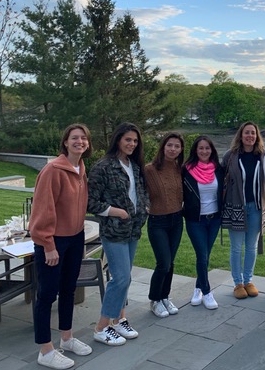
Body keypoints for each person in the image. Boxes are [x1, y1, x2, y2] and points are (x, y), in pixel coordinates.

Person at [30, 124, 94, 369]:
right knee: (47, 295)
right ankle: (45, 350)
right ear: (65, 142)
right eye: (74, 138)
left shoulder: (80, 168)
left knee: (68, 290)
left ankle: (66, 338)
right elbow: (42, 209)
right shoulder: (52, 170)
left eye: (83, 138)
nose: (80, 141)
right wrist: (48, 244)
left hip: (75, 238)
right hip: (53, 242)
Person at [88, 123, 149, 346]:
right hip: (113, 231)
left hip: (133, 229)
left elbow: (140, 191)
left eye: (135, 141)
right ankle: (101, 327)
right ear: (118, 140)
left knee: (126, 277)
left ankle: (120, 318)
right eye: (128, 140)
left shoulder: (133, 165)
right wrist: (117, 212)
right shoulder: (103, 167)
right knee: (121, 278)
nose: (132, 144)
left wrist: (145, 207)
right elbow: (91, 201)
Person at [222, 121, 265, 299]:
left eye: (253, 133)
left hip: (256, 207)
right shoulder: (230, 156)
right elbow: (220, 178)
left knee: (251, 247)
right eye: (247, 133)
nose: (250, 136)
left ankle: (248, 280)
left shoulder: (263, 156)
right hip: (236, 207)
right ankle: (237, 283)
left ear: (257, 136)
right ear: (241, 135)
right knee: (236, 247)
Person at [144, 132, 184, 318]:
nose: (173, 149)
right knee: (163, 263)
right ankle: (154, 299)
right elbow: (139, 191)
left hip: (176, 220)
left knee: (171, 262)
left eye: (177, 146)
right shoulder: (150, 169)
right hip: (157, 221)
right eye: (170, 145)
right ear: (163, 146)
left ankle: (164, 297)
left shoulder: (179, 169)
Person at [182, 136, 224, 310]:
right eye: (201, 148)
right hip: (195, 220)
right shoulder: (186, 170)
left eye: (207, 148)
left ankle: (198, 288)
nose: (204, 151)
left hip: (214, 219)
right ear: (195, 150)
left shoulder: (218, 169)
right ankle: (207, 292)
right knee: (202, 255)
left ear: (212, 150)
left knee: (205, 255)